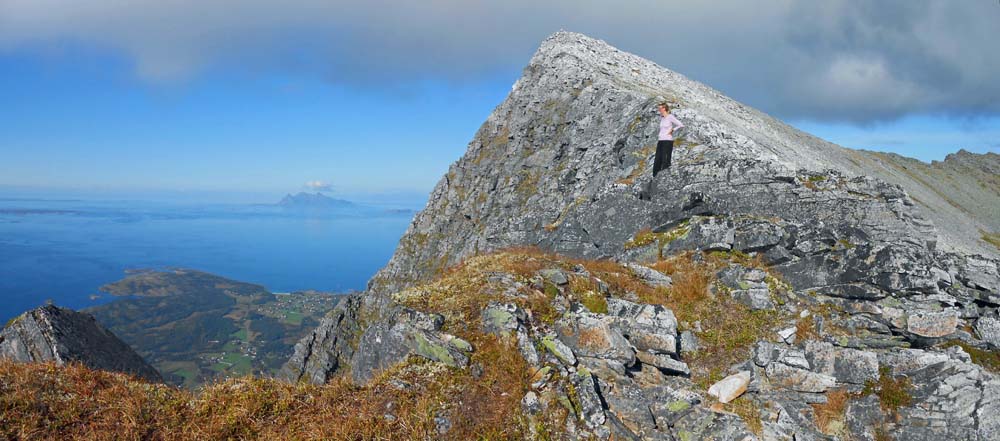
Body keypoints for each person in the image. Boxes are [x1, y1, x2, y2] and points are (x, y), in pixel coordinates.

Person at [653, 103, 684, 176]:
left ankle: (665, 175)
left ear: (664, 109)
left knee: (665, 159)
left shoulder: (670, 117)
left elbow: (681, 124)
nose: (659, 110)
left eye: (660, 108)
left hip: (667, 141)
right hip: (660, 140)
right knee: (657, 159)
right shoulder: (662, 118)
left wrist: (673, 130)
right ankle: (655, 176)